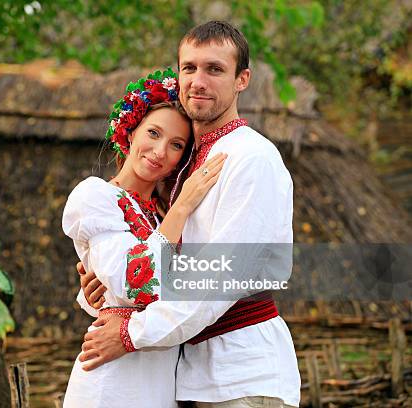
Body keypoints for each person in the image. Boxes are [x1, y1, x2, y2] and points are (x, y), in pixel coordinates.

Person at [78, 21, 301, 408]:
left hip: (242, 374)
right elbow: (160, 269)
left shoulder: (251, 158)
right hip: (193, 378)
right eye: (189, 67)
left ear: (242, 79)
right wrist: (105, 293)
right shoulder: (184, 167)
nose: (198, 80)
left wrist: (131, 331)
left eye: (214, 69)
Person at [61, 68, 227, 407]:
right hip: (112, 377)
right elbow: (138, 282)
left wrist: (101, 295)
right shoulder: (96, 197)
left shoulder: (161, 214)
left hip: (161, 378)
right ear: (131, 131)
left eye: (176, 145)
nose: (159, 151)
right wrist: (184, 205)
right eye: (153, 133)